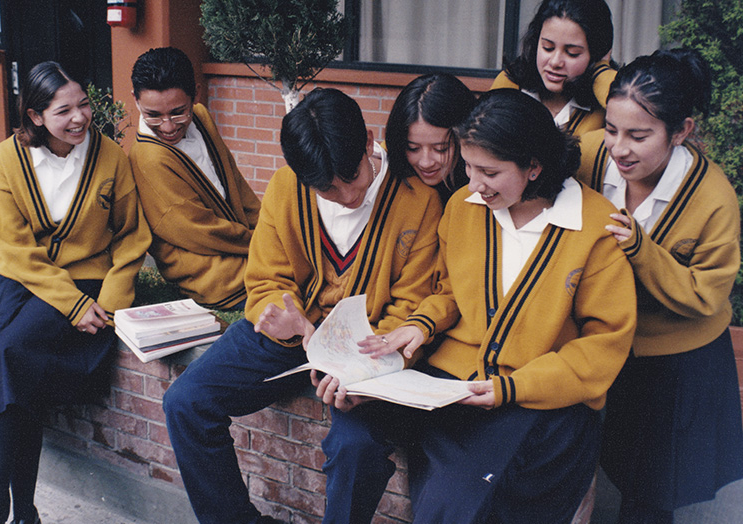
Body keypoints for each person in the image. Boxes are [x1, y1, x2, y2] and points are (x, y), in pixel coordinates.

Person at [316, 88, 637, 523]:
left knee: (455, 501)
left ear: (534, 167)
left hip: (527, 392)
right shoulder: (463, 207)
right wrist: (420, 326)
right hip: (444, 379)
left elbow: (603, 344)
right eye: (467, 166)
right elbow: (449, 290)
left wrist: (512, 388)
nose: (473, 183)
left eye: (489, 171)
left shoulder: (594, 227)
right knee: (351, 440)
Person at [161, 87, 442, 524]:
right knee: (185, 402)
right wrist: (284, 314)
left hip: (373, 350)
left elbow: (410, 304)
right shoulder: (287, 187)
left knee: (357, 446)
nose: (346, 194)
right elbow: (267, 279)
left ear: (368, 142)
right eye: (326, 189)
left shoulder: (418, 201)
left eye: (351, 177)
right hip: (294, 335)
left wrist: (351, 359)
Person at [0, 62, 151, 524]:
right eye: (63, 110)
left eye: (84, 104)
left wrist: (107, 301)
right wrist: (67, 302)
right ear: (34, 116)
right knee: (10, 367)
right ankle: (24, 509)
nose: (79, 118)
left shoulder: (110, 156)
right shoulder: (7, 159)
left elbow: (131, 238)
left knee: (7, 356)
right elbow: (12, 246)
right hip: (26, 280)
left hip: (88, 283)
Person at [576, 48, 743, 523]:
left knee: (651, 490)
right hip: (605, 337)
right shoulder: (587, 156)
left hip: (676, 357)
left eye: (638, 135)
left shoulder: (713, 198)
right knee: (592, 462)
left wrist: (641, 248)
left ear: (682, 131)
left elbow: (706, 294)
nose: (619, 147)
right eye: (611, 129)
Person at [129, 47, 260, 310]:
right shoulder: (149, 159)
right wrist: (264, 243)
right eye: (153, 115)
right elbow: (199, 231)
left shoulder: (201, 117)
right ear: (135, 100)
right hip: (208, 270)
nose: (168, 126)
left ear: (196, 94)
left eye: (179, 112)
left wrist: (271, 228)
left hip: (238, 245)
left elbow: (236, 184)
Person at [491, 0, 615, 137]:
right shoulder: (510, 84)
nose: (555, 62)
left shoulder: (604, 106)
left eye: (572, 53)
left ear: (596, 55)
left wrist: (601, 70)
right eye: (547, 48)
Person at [385, 73, 476, 203]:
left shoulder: (481, 188)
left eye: (441, 149)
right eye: (413, 148)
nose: (426, 163)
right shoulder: (385, 173)